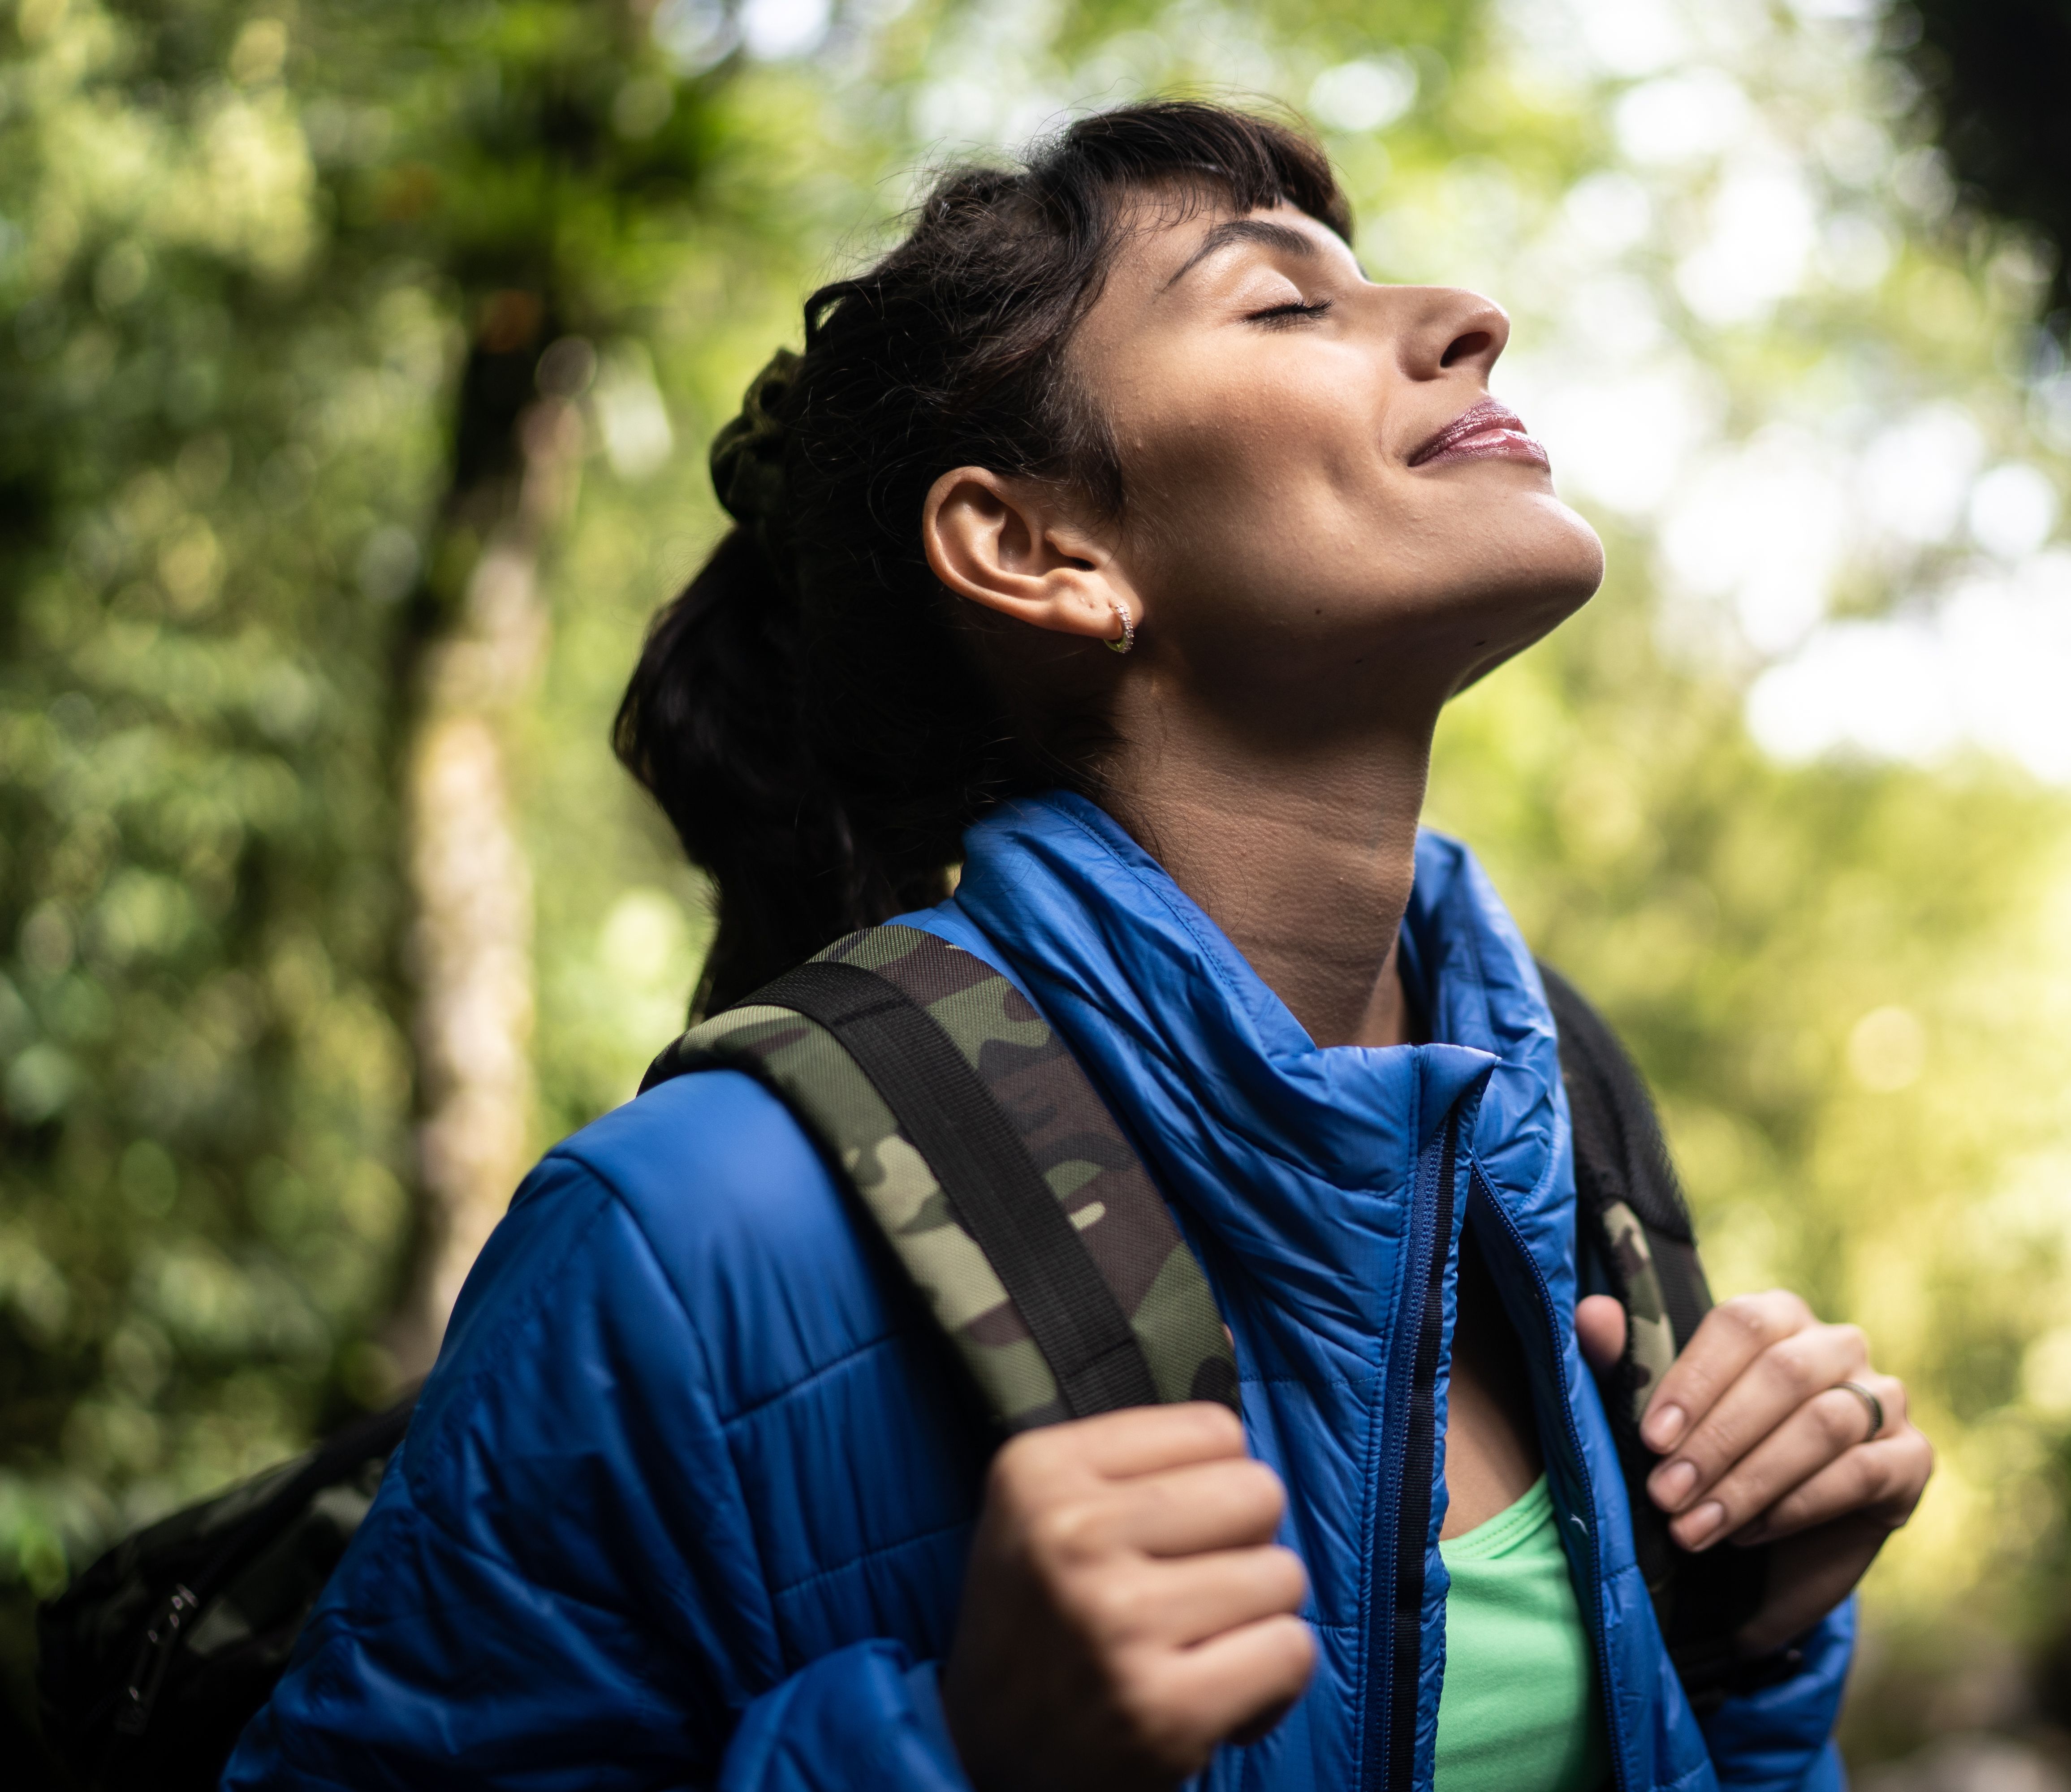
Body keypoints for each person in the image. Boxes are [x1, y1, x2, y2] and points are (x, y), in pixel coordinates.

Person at [222, 100, 1932, 1792]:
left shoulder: (1552, 1132)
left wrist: (1752, 1656)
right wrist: (957, 1760)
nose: (1471, 321)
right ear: (1038, 550)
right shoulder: (681, 1238)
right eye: (1284, 304)